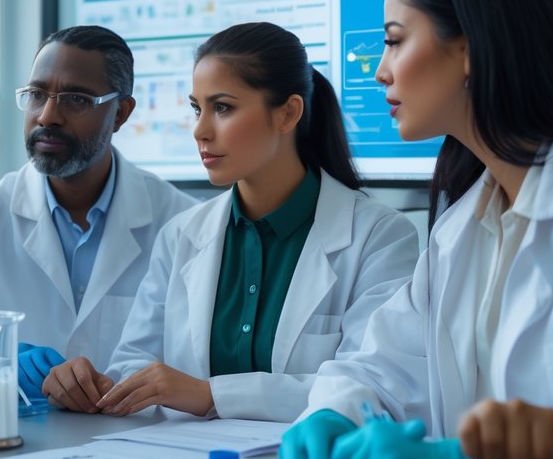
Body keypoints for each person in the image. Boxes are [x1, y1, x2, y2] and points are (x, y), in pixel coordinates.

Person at [281, 0, 553, 459]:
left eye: (393, 40)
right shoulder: (465, 224)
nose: (380, 70)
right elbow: (380, 366)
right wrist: (333, 413)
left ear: (468, 46)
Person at [44, 23, 418, 417]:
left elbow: (371, 386)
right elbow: (136, 366)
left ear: (288, 113)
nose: (200, 130)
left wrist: (210, 394)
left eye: (222, 107)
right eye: (197, 108)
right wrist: (94, 386)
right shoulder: (182, 236)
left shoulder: (380, 237)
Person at [0, 26, 197, 399]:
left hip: (136, 441)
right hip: (17, 436)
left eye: (75, 100)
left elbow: (189, 361)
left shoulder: (181, 222)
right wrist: (5, 361)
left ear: (121, 113)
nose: (47, 116)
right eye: (36, 94)